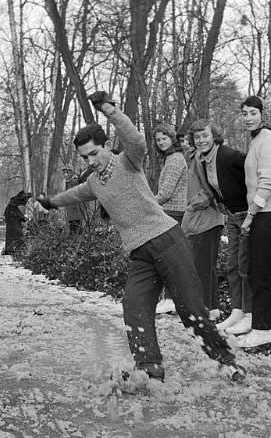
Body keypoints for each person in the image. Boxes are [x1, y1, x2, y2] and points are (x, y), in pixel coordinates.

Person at [37, 91, 246, 382]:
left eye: (94, 153)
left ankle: (227, 362)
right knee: (133, 305)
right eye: (85, 158)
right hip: (140, 254)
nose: (91, 161)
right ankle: (149, 367)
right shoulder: (95, 182)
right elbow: (77, 194)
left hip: (167, 240)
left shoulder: (127, 161)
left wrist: (110, 111)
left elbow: (136, 140)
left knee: (190, 309)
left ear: (106, 146)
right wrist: (51, 201)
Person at [234, 96, 271, 350]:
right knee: (257, 272)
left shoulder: (269, 141)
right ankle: (260, 324)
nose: (248, 118)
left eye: (253, 113)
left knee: (262, 272)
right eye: (244, 113)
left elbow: (270, 182)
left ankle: (262, 330)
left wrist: (250, 215)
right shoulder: (258, 139)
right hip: (263, 214)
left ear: (262, 114)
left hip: (270, 214)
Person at [189, 119, 252, 334]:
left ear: (214, 135)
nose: (201, 140)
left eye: (205, 136)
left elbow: (255, 168)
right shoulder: (204, 160)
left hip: (249, 215)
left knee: (246, 266)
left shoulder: (228, 155)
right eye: (197, 137)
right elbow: (213, 187)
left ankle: (249, 314)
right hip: (232, 216)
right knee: (232, 266)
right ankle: (237, 311)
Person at [181, 133, 224, 321]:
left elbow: (211, 189)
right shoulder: (193, 159)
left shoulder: (201, 159)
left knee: (202, 267)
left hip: (206, 220)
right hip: (203, 219)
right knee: (206, 266)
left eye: (186, 140)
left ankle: (204, 310)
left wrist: (193, 204)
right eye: (181, 140)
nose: (184, 144)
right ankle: (212, 308)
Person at [153, 124, 188, 224]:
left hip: (174, 211)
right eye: (158, 140)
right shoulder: (169, 158)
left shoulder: (174, 158)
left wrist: (150, 203)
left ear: (172, 139)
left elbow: (166, 193)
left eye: (164, 138)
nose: (161, 142)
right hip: (171, 210)